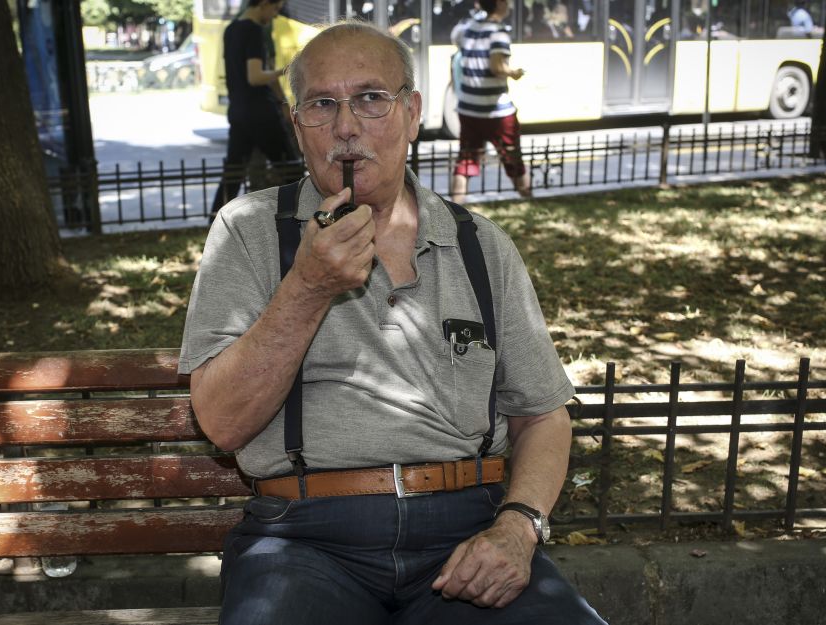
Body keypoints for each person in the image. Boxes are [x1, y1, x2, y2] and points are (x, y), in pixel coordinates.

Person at [179, 20, 605, 625]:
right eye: (322, 104)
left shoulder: (479, 244)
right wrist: (306, 287)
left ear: (412, 112)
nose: (346, 126)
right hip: (304, 540)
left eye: (371, 99)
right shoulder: (248, 233)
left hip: (466, 533)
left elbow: (542, 414)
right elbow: (221, 423)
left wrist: (517, 527)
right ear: (297, 123)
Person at [211, 0, 300, 215]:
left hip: (239, 111)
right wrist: (286, 70)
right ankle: (309, 214)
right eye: (275, 9)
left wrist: (282, 102)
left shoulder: (231, 30)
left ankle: (214, 217)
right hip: (260, 112)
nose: (275, 15)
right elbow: (256, 76)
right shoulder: (254, 31)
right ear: (263, 4)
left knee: (234, 171)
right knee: (290, 166)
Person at [451, 0, 532, 203]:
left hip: (468, 107)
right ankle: (527, 198)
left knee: (466, 158)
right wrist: (513, 73)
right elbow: (497, 66)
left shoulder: (469, 28)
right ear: (499, 4)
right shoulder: (499, 33)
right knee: (511, 155)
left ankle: (455, 206)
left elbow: (457, 42)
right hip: (496, 111)